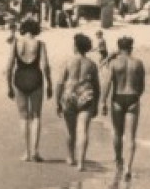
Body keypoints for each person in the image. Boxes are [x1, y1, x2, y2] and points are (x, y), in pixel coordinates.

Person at [6, 16, 53, 162]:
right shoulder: (40, 44)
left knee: (23, 116)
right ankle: (35, 152)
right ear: (36, 30)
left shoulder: (16, 43)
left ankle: (26, 152)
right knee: (36, 116)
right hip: (35, 78)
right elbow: (45, 66)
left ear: (23, 29)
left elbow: (9, 67)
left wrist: (8, 86)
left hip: (20, 77)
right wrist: (50, 84)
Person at [101, 34, 145, 180]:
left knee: (117, 133)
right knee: (131, 136)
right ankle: (128, 168)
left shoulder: (114, 63)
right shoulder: (138, 63)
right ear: (131, 47)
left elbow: (107, 83)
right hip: (133, 98)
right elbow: (141, 86)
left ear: (119, 48)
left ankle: (118, 160)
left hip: (118, 98)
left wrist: (102, 102)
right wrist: (136, 96)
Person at [58, 32, 100, 169]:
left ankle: (70, 157)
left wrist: (57, 102)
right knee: (83, 130)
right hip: (85, 94)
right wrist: (97, 104)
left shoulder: (68, 62)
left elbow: (60, 82)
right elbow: (96, 86)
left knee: (70, 130)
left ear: (75, 46)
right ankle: (81, 162)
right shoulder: (92, 64)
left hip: (70, 93)